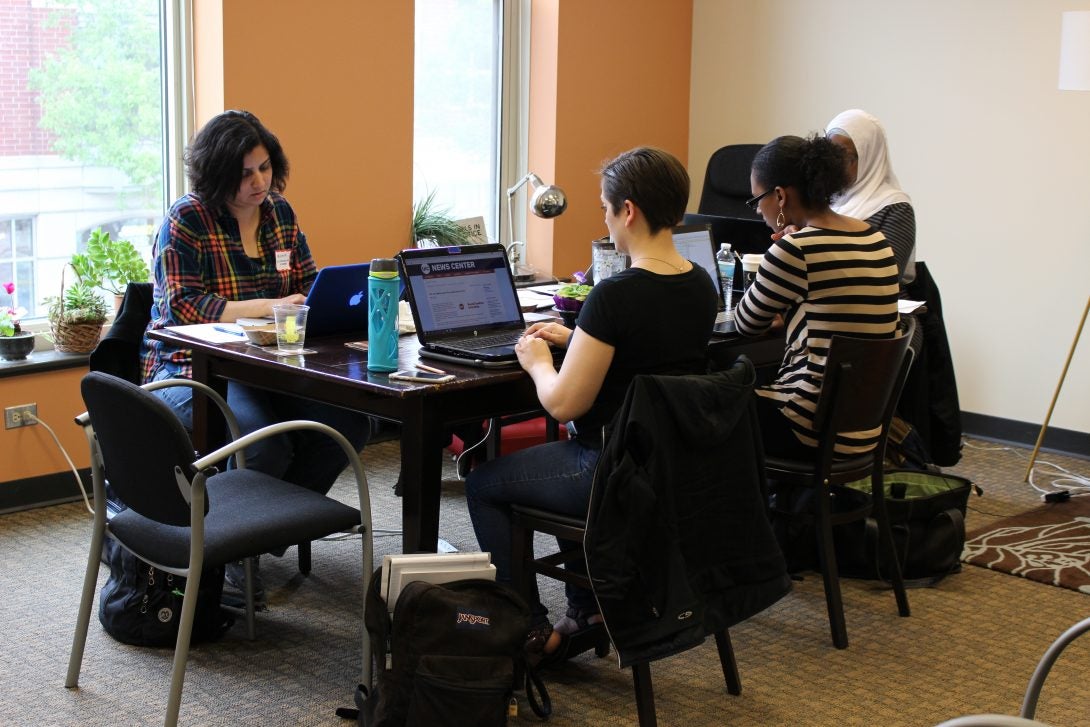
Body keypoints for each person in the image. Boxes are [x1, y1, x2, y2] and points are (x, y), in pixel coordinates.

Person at [465, 146, 718, 663]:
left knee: (483, 484)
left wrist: (538, 359)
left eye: (605, 207)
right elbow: (644, 351)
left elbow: (561, 405)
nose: (604, 219)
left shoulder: (615, 294)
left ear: (629, 211)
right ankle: (587, 612)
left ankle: (529, 629)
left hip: (609, 471)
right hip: (669, 468)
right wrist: (579, 337)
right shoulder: (700, 285)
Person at [141, 110, 373, 605]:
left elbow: (308, 285)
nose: (259, 182)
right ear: (218, 173)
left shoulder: (279, 214)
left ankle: (265, 532)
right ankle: (228, 557)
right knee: (263, 446)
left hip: (269, 365)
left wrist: (317, 303)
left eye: (265, 168)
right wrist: (268, 306)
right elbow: (182, 306)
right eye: (245, 173)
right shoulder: (188, 219)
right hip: (191, 366)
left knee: (351, 428)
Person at [734, 135, 899, 459]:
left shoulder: (794, 250)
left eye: (757, 201)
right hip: (866, 430)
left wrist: (780, 251)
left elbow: (746, 324)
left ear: (780, 196)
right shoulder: (876, 240)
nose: (757, 212)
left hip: (807, 427)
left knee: (706, 410)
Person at [824, 108, 916, 287]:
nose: (834, 164)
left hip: (879, 309)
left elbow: (888, 274)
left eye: (843, 156)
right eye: (829, 155)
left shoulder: (895, 207)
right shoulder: (822, 201)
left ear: (870, 156)